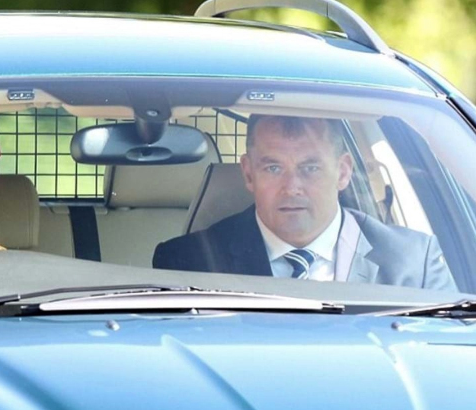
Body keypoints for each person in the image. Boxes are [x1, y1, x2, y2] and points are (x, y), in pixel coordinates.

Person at [153, 114, 457, 291]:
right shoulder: (186, 263)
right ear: (248, 173)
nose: (292, 187)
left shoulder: (414, 263)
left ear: (343, 172)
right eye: (274, 168)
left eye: (310, 168)